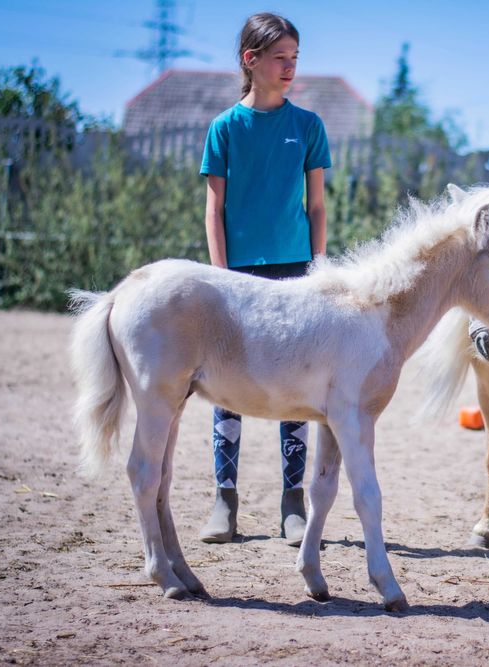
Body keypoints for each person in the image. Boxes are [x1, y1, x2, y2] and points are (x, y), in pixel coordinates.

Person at [198, 12, 331, 545]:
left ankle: (292, 503)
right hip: (236, 277)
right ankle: (223, 502)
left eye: (295, 58)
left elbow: (317, 206)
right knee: (227, 385)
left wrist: (318, 270)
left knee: (293, 385)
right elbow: (214, 209)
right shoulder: (224, 128)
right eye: (281, 57)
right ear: (250, 61)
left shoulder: (308, 127)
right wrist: (220, 277)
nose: (290, 67)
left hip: (297, 274)